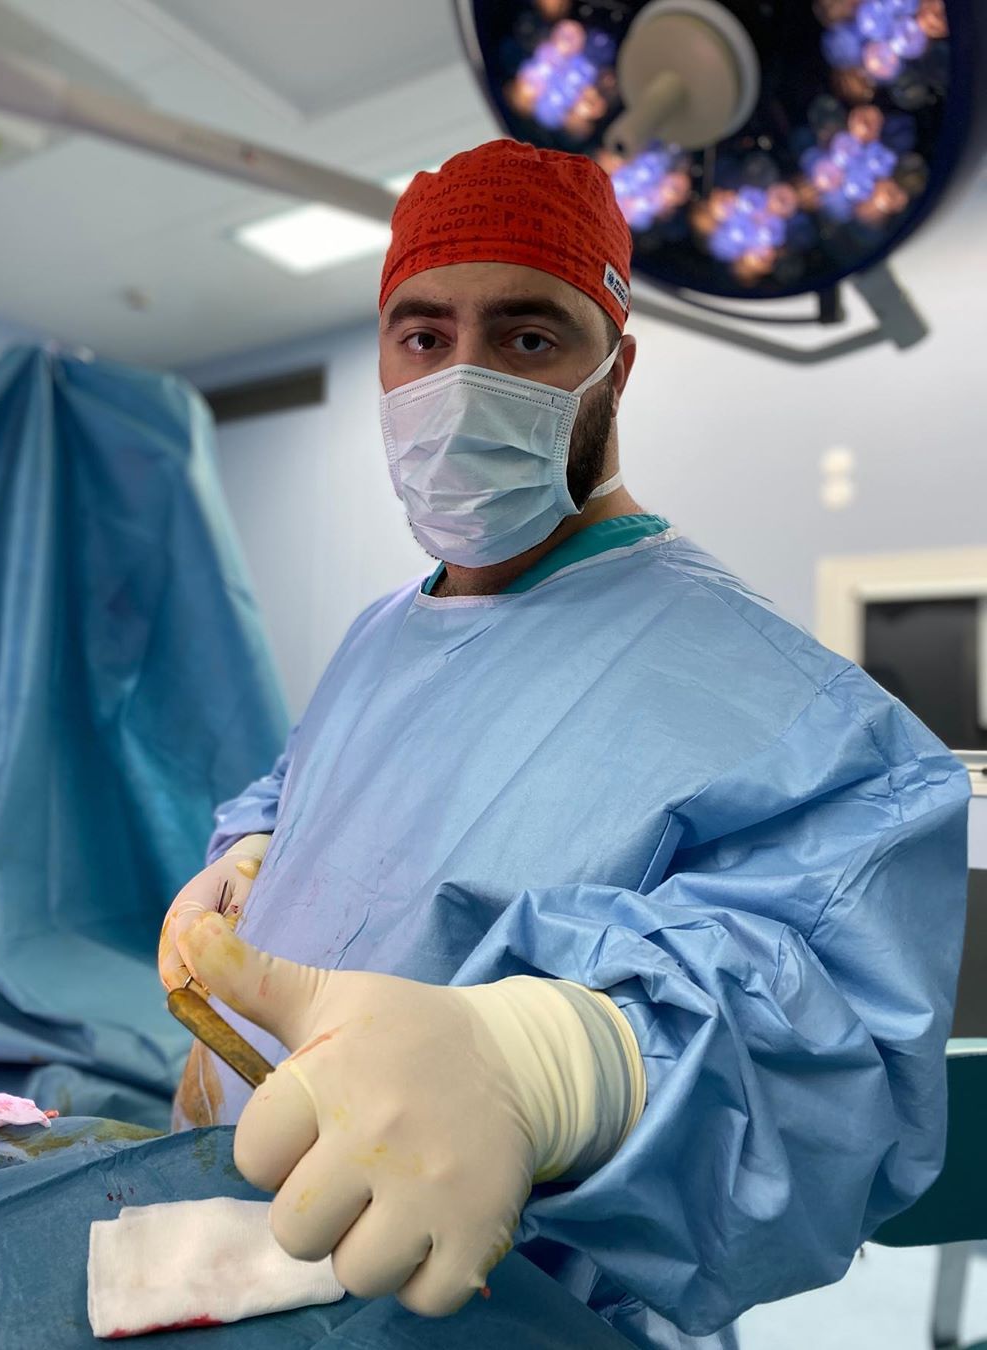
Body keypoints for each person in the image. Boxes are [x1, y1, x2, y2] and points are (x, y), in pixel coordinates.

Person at [157, 139, 969, 1350]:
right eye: (423, 336)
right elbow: (306, 784)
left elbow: (830, 1066)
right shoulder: (387, 630)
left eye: (527, 337)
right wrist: (249, 851)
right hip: (237, 1237)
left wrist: (542, 1067)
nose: (460, 381)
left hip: (508, 1310)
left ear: (614, 369)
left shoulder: (788, 707)